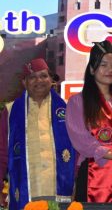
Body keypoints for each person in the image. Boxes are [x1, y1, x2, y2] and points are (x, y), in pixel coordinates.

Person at [65, 40, 112, 203]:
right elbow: (81, 140)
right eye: (104, 65)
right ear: (92, 69)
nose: (110, 70)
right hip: (95, 173)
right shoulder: (77, 102)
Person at [0, 58, 76, 210]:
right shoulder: (10, 112)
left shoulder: (68, 110)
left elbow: (79, 152)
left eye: (43, 76)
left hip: (60, 192)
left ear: (51, 80)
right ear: (24, 82)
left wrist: (77, 185)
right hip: (24, 193)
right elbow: (1, 153)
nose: (39, 81)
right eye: (32, 77)